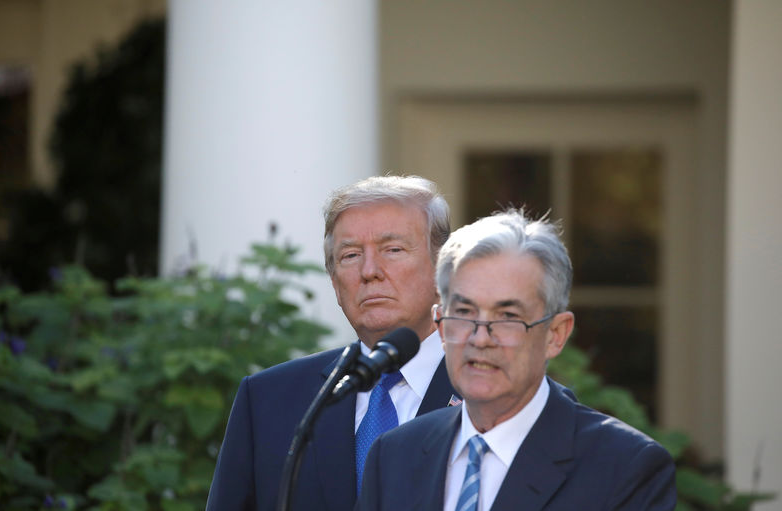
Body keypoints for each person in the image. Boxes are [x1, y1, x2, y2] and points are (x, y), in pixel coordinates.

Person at [357, 210, 676, 511]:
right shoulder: (394, 455)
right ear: (440, 325)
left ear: (555, 334)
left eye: (508, 316)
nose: (480, 338)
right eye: (465, 313)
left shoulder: (625, 466)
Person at [206, 175, 459, 511]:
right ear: (334, 280)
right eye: (351, 255)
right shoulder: (268, 400)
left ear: (444, 268)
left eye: (393, 250)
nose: (369, 271)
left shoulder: (491, 391)